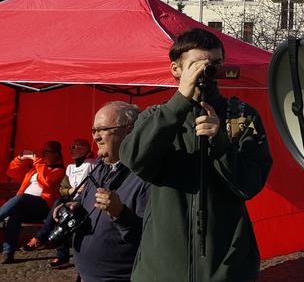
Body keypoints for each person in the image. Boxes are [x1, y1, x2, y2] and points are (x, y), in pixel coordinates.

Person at [120, 27, 272, 282]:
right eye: (197, 65)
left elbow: (250, 185)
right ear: (176, 69)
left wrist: (221, 143)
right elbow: (134, 159)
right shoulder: (156, 117)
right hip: (161, 269)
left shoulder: (242, 116)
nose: (207, 72)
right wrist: (180, 101)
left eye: (215, 65)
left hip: (226, 268)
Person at [68, 101, 149, 281]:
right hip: (85, 275)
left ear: (129, 131)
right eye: (93, 130)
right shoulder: (99, 167)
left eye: (102, 129)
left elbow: (153, 240)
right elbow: (85, 202)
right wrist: (74, 206)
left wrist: (120, 213)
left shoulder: (146, 176)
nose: (95, 137)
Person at [21, 137, 97, 269]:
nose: (70, 150)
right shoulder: (70, 168)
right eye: (70, 147)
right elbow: (62, 189)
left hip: (86, 202)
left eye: (75, 147)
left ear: (85, 149)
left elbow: (96, 185)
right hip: (71, 200)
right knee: (59, 212)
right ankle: (59, 255)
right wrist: (71, 190)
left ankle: (42, 238)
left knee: (59, 206)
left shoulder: (92, 165)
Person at [1, 140, 66, 263]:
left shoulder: (59, 171)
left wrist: (37, 160)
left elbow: (46, 181)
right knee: (16, 214)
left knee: (22, 198)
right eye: (43, 151)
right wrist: (20, 158)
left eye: (46, 152)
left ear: (56, 154)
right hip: (26, 207)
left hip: (43, 207)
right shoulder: (35, 169)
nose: (43, 154)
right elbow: (11, 172)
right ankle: (7, 253)